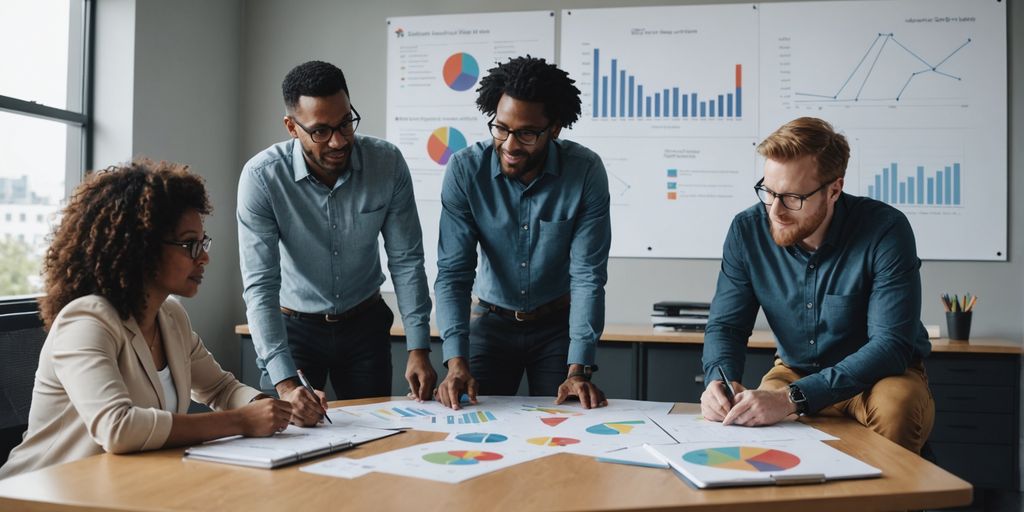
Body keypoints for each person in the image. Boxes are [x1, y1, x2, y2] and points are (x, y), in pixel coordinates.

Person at [0, 161, 292, 479]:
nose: (204, 257)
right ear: (142, 248)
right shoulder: (85, 321)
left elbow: (220, 388)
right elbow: (118, 427)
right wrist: (241, 422)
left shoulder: (170, 317)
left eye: (203, 243)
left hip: (124, 489)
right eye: (190, 244)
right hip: (39, 494)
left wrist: (275, 408)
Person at [699, 117, 935, 453]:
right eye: (768, 192)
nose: (775, 212)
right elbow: (726, 325)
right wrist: (718, 382)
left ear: (834, 190)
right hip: (795, 371)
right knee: (745, 422)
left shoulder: (885, 229)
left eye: (793, 197)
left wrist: (792, 398)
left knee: (897, 407)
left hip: (880, 377)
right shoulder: (746, 231)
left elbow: (890, 346)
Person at [238, 60, 435, 423]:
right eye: (321, 131)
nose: (339, 140)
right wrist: (284, 384)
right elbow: (260, 285)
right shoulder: (262, 178)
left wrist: (418, 346)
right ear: (291, 127)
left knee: (375, 435)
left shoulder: (386, 163)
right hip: (293, 329)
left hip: (365, 326)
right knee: (291, 438)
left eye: (346, 123)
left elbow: (406, 259)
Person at [434, 56, 612, 410]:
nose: (511, 145)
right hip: (490, 324)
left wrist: (579, 369)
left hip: (556, 328)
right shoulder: (465, 170)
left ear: (555, 129)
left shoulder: (585, 171)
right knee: (471, 421)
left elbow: (587, 276)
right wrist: (455, 362)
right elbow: (453, 273)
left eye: (527, 134)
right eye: (501, 128)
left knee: (567, 428)